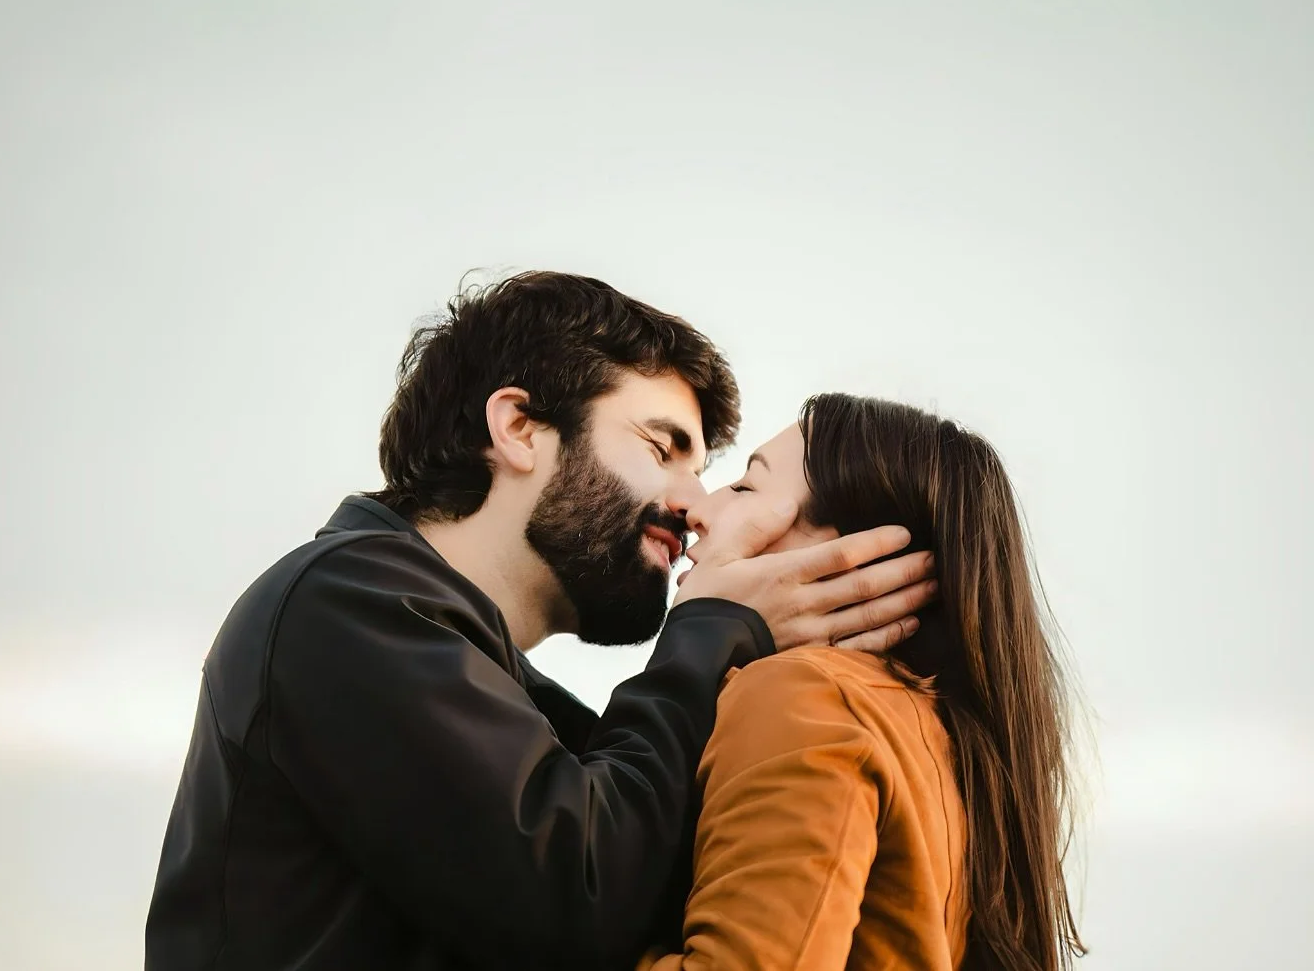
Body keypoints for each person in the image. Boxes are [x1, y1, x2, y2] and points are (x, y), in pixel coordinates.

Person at [144, 274, 936, 971]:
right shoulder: (344, 603)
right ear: (519, 426)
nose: (695, 506)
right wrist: (713, 627)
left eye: (704, 472)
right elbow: (580, 901)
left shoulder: (497, 686)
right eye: (664, 449)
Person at [641, 392, 1087, 971]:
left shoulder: (804, 695)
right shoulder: (927, 730)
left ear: (850, 555)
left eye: (748, 487)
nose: (700, 510)